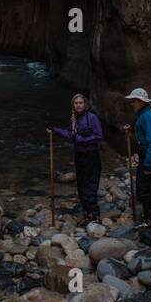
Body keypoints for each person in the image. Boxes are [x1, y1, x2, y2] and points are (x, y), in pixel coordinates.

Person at [48, 93, 104, 223]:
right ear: (73, 105)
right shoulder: (74, 119)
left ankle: (94, 215)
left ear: (85, 104)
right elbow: (70, 134)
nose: (78, 105)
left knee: (90, 184)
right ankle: (87, 212)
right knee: (81, 185)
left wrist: (82, 140)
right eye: (76, 103)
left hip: (91, 156)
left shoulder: (92, 118)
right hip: (79, 156)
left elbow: (99, 136)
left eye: (80, 103)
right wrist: (56, 130)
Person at [123, 87, 151, 227]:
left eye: (134, 101)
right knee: (146, 187)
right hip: (149, 155)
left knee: (143, 190)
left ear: (141, 101)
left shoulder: (147, 116)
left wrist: (148, 164)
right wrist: (132, 131)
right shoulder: (144, 114)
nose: (132, 103)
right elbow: (144, 137)